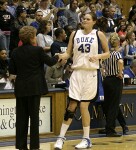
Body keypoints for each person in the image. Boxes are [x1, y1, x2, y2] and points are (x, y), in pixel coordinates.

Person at [54, 12, 109, 150]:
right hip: (77, 73)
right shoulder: (75, 34)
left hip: (91, 73)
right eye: (83, 18)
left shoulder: (98, 34)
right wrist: (62, 56)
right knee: (71, 105)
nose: (85, 20)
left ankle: (86, 139)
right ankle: (60, 138)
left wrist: (98, 56)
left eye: (88, 19)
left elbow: (107, 53)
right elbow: (68, 52)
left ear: (94, 22)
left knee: (84, 106)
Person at [9, 26, 60, 150]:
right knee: (34, 118)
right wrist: (58, 56)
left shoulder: (15, 52)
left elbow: (12, 71)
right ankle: (34, 146)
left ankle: (21, 145)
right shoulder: (38, 50)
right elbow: (51, 62)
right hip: (35, 87)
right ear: (32, 37)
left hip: (21, 88)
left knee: (21, 118)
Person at [103, 32, 124, 137]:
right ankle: (110, 129)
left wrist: (104, 74)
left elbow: (102, 65)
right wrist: (120, 73)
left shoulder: (106, 54)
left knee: (108, 105)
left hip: (106, 80)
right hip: (115, 80)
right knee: (114, 106)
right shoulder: (117, 53)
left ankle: (108, 126)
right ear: (118, 42)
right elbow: (120, 62)